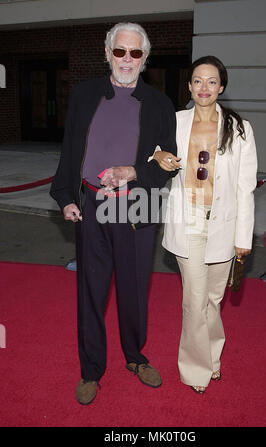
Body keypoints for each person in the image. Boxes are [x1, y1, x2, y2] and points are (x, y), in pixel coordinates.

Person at [50, 22, 177, 405]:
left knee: (135, 291)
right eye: (119, 51)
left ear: (145, 59)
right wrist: (65, 195)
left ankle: (136, 358)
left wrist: (134, 170)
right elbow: (71, 147)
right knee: (90, 290)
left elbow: (169, 162)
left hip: (139, 205)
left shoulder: (159, 104)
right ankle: (91, 370)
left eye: (135, 53)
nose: (126, 60)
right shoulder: (85, 94)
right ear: (107, 53)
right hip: (92, 204)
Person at [154, 55, 257, 394]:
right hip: (188, 221)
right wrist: (158, 156)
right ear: (189, 85)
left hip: (224, 225)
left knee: (212, 299)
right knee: (194, 299)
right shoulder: (176, 120)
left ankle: (213, 355)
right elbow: (152, 147)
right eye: (198, 80)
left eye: (211, 81)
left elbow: (245, 186)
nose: (204, 87)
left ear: (221, 87)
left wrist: (243, 236)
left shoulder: (239, 128)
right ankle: (196, 370)